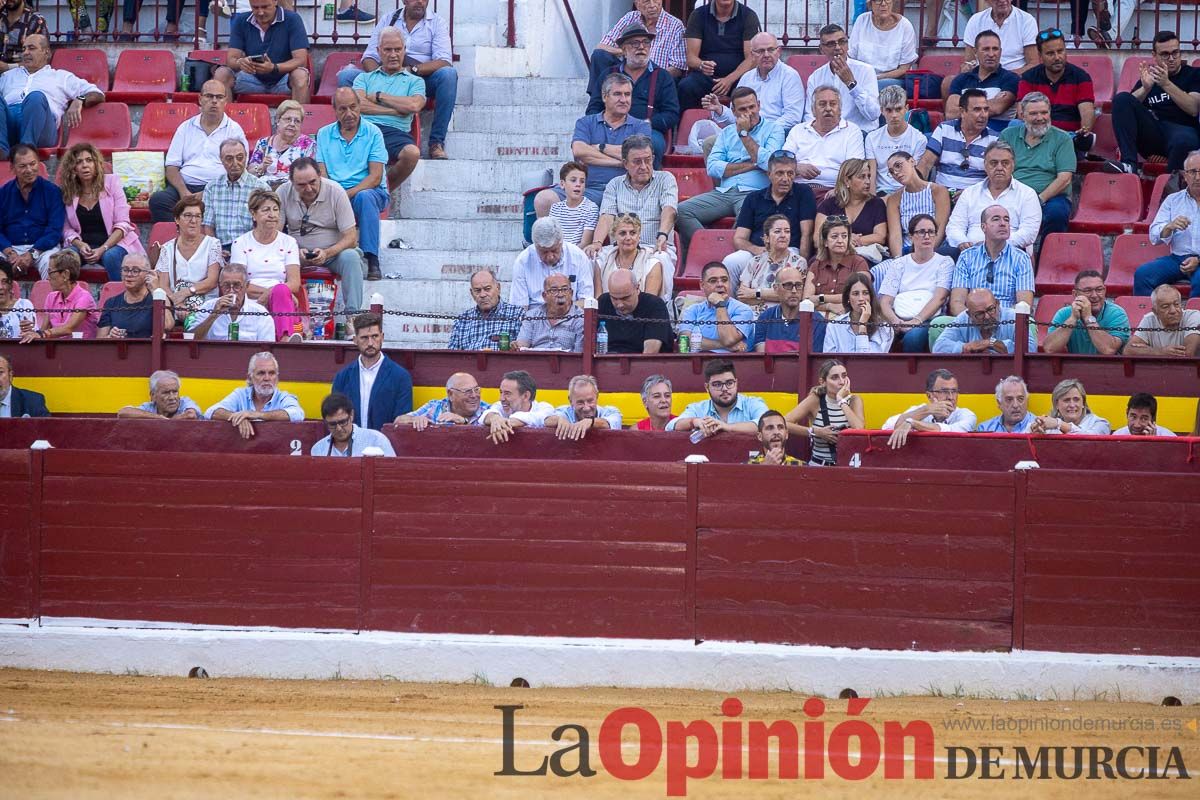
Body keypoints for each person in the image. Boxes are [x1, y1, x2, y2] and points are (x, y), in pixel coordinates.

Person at [336, 0, 457, 160]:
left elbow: (443, 60)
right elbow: (370, 57)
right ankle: (351, 131)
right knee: (346, 77)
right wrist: (381, 78)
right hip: (384, 74)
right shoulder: (388, 20)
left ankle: (436, 142)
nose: (420, 2)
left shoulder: (437, 23)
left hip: (418, 78)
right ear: (404, 1)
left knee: (448, 75)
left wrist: (411, 70)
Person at [676, 88, 783, 256]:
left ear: (759, 105)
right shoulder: (726, 132)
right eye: (742, 109)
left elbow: (769, 164)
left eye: (752, 107)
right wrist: (753, 164)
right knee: (681, 211)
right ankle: (710, 252)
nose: (749, 113)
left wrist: (744, 134)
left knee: (746, 225)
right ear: (733, 111)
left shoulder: (774, 129)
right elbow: (713, 167)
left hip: (754, 193)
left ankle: (727, 259)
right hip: (725, 191)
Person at [277, 157, 365, 317]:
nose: (309, 188)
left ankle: (353, 317)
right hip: (294, 255)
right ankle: (282, 318)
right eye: (301, 185)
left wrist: (327, 253)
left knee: (351, 257)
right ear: (291, 181)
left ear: (320, 176)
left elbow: (351, 237)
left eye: (313, 182)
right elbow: (275, 234)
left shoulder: (336, 191)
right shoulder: (283, 192)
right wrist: (294, 253)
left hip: (333, 254)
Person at [316, 88, 389, 280]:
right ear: (335, 111)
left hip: (368, 191)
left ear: (360, 106)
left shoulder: (373, 133)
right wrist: (337, 195)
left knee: (365, 197)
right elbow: (322, 174)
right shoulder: (323, 134)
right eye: (342, 109)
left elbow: (375, 177)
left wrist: (346, 194)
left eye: (353, 107)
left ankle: (372, 258)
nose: (349, 114)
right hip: (335, 192)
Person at [150, 80, 248, 222]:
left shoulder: (234, 130)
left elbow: (239, 169)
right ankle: (179, 238)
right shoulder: (185, 127)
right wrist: (183, 192)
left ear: (226, 101)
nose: (214, 101)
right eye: (209, 96)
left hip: (219, 188)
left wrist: (206, 193)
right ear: (200, 99)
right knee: (158, 201)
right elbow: (171, 167)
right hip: (184, 186)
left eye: (219, 97)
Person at [1104, 30, 1200, 176]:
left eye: (1175, 53)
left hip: (1183, 132)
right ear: (1154, 56)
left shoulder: (1194, 74)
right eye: (1165, 54)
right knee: (1121, 98)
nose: (1172, 58)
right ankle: (1129, 164)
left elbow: (1193, 108)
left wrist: (1166, 84)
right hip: (1155, 132)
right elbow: (1125, 109)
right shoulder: (1150, 78)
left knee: (1184, 140)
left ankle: (1170, 188)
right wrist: (1145, 89)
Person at [585, 24, 680, 165]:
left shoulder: (662, 76)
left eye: (645, 42)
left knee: (652, 145)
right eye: (635, 43)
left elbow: (672, 114)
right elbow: (592, 110)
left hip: (647, 132)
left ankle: (647, 186)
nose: (641, 47)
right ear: (623, 49)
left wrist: (647, 123)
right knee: (586, 143)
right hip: (611, 130)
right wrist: (607, 124)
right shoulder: (608, 74)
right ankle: (600, 184)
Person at [0, 34, 103, 157]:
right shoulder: (8, 76)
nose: (26, 53)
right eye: (24, 49)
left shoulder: (61, 77)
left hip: (42, 127)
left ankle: (25, 152)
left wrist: (80, 99)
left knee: (36, 97)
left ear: (46, 53)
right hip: (10, 124)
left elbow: (98, 94)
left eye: (31, 48)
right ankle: (2, 153)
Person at [722, 150, 814, 285]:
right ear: (769, 174)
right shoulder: (753, 198)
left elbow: (807, 234)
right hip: (757, 251)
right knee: (732, 262)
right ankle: (734, 303)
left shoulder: (804, 193)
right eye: (779, 173)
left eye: (790, 173)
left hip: (789, 251)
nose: (785, 178)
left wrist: (801, 262)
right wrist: (756, 250)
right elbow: (739, 238)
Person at [586, 136, 677, 271]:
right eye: (637, 162)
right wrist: (597, 243)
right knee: (592, 258)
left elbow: (669, 210)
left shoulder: (665, 179)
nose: (644, 167)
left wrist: (662, 235)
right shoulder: (614, 185)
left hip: (654, 247)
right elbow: (607, 216)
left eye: (648, 160)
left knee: (660, 259)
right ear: (625, 163)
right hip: (621, 250)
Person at [563, 74, 653, 208]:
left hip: (624, 190)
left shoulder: (641, 126)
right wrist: (620, 162)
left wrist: (600, 147)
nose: (623, 100)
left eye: (627, 94)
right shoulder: (586, 122)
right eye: (617, 94)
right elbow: (579, 150)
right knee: (543, 199)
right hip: (586, 188)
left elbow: (637, 156)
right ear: (605, 97)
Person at [59, 143, 145, 282]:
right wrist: (80, 245)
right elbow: (66, 228)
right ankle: (71, 301)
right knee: (66, 258)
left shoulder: (112, 183)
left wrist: (103, 248)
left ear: (97, 164)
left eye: (89, 160)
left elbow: (123, 224)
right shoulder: (68, 191)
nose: (85, 165)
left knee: (110, 256)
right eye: (79, 162)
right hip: (84, 245)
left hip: (114, 244)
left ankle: (120, 299)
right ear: (73, 168)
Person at [351, 27, 425, 190]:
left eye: (398, 49)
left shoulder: (415, 82)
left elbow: (414, 105)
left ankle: (383, 191)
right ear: (378, 51)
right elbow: (358, 106)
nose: (393, 55)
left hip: (395, 132)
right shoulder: (363, 78)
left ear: (404, 50)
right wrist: (394, 110)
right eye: (387, 50)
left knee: (412, 153)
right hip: (365, 128)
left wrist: (379, 96)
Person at [229, 188, 303, 341]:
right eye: (266, 210)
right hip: (250, 301)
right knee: (281, 290)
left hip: (282, 301)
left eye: (276, 210)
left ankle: (284, 339)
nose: (272, 215)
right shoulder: (240, 243)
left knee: (282, 291)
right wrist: (272, 293)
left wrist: (272, 294)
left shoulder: (289, 242)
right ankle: (286, 339)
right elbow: (238, 284)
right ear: (253, 214)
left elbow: (294, 283)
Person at [999, 94, 1075, 239]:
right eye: (1033, 113)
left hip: (1050, 197)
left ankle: (1048, 260)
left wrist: (1038, 200)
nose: (1040, 118)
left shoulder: (1063, 138)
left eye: (1044, 112)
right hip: (1013, 194)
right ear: (1022, 115)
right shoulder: (1008, 135)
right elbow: (998, 167)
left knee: (1057, 214)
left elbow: (1065, 179)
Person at [702, 31, 804, 137]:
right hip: (747, 132)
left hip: (775, 135)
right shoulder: (747, 78)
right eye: (760, 51)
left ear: (779, 51)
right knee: (709, 143)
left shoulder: (789, 76)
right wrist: (719, 109)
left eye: (771, 50)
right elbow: (736, 116)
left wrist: (762, 130)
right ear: (752, 55)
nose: (766, 55)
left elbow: (792, 117)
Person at [945, 141, 1042, 252]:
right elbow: (954, 227)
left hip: (1010, 253)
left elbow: (1029, 232)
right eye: (994, 163)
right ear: (985, 165)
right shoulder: (969, 193)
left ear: (1013, 166)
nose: (999, 168)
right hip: (970, 253)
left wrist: (995, 246)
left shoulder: (1027, 194)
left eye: (1005, 163)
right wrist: (962, 243)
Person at [879, 214, 954, 352]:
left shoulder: (945, 262)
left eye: (931, 232)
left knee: (913, 337)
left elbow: (940, 298)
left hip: (927, 318)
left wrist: (917, 320)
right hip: (897, 317)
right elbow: (885, 301)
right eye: (921, 232)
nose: (927, 236)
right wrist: (895, 321)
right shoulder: (899, 264)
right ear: (911, 236)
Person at [1017, 27, 1097, 153]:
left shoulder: (1081, 77)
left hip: (1067, 139)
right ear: (1040, 56)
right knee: (1013, 126)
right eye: (1050, 53)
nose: (1057, 57)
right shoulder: (1029, 78)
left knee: (1080, 139)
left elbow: (1087, 111)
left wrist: (1084, 132)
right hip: (1036, 134)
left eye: (1060, 51)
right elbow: (1022, 114)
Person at [215, 0, 310, 104]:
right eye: (255, 8)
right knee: (221, 73)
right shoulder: (241, 20)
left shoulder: (292, 19)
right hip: (252, 79)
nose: (260, 12)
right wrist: (241, 63)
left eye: (265, 7)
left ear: (275, 2)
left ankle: (300, 118)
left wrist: (274, 68)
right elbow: (231, 59)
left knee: (300, 76)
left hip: (283, 80)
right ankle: (224, 119)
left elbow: (301, 60)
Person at [330, 311, 413, 431]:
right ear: (355, 340)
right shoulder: (342, 377)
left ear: (382, 337)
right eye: (364, 338)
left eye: (375, 336)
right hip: (351, 446)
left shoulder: (400, 377)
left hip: (385, 447)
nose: (370, 343)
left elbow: (401, 422)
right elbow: (335, 417)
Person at [1134, 150, 1200, 298]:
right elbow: (1154, 235)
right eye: (1193, 172)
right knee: (1143, 275)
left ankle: (1195, 321)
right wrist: (1169, 226)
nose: (1198, 177)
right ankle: (1151, 319)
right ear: (1185, 176)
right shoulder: (1172, 200)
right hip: (1178, 259)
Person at [676, 0, 760, 112]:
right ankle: (687, 126)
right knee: (686, 86)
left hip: (738, 77)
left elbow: (751, 59)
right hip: (705, 77)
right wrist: (701, 65)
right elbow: (691, 58)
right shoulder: (698, 15)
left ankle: (747, 127)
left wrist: (729, 79)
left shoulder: (748, 15)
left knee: (750, 91)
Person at [949, 205, 1034, 314]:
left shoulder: (1021, 259)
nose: (1003, 223)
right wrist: (977, 319)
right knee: (939, 323)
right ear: (983, 227)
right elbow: (957, 303)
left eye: (1006, 220)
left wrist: (995, 319)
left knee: (1029, 327)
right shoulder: (966, 257)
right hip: (972, 320)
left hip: (1007, 322)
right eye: (996, 219)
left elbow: (1024, 304)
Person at [782, 86, 866, 192]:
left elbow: (855, 168)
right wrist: (796, 168)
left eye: (833, 104)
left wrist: (839, 190)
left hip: (833, 190)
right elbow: (782, 163)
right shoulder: (798, 130)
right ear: (813, 110)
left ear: (840, 110)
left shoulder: (852, 131)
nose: (828, 108)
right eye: (822, 104)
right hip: (797, 190)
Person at [783, 358, 864, 466]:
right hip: (819, 465)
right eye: (835, 377)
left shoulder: (854, 400)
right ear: (823, 382)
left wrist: (841, 400)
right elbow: (783, 424)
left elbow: (860, 430)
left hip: (848, 467)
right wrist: (816, 432)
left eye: (844, 376)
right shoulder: (815, 400)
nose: (841, 381)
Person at [207, 351, 305, 439]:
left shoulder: (284, 397)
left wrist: (258, 415)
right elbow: (211, 412)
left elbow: (297, 414)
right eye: (261, 373)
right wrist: (238, 417)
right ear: (250, 377)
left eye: (271, 373)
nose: (267, 378)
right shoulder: (240, 394)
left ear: (277, 377)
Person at [153, 197, 223, 316]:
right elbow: (163, 285)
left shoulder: (213, 244)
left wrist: (187, 292)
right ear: (177, 219)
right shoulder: (167, 249)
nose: (193, 220)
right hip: (175, 305)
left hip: (206, 306)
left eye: (197, 216)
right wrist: (177, 303)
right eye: (188, 215)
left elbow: (212, 281)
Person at [0, 144, 62, 279]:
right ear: (12, 168)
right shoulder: (3, 193)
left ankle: (50, 300)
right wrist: (10, 253)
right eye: (22, 166)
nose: (29, 170)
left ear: (39, 163)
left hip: (43, 248)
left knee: (52, 264)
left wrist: (32, 253)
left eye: (33, 164)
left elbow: (54, 230)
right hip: (10, 248)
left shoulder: (52, 192)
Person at [806, 24, 881, 134]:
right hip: (826, 133)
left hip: (859, 132)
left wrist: (852, 84)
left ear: (848, 44)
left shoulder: (866, 71)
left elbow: (873, 114)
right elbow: (810, 115)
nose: (838, 47)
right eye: (831, 44)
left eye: (842, 42)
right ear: (821, 49)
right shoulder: (816, 77)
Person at [919, 89, 998, 192]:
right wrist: (919, 190)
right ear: (962, 112)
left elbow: (995, 178)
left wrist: (969, 195)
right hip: (941, 195)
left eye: (986, 110)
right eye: (977, 110)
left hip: (975, 198)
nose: (983, 115)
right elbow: (926, 162)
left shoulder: (995, 139)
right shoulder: (944, 129)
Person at [814, 158, 889, 264]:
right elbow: (817, 238)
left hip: (864, 259)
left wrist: (850, 240)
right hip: (832, 257)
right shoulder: (828, 204)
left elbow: (880, 237)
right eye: (861, 177)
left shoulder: (876, 204)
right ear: (847, 180)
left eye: (869, 176)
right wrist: (847, 239)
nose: (868, 182)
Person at [666, 358, 766, 436]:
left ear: (736, 383)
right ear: (707, 387)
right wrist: (694, 422)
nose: (725, 389)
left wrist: (727, 427)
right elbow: (670, 426)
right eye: (717, 384)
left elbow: (766, 424)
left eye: (729, 383)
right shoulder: (697, 408)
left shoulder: (753, 403)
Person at [592, 0, 687, 81]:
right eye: (646, 1)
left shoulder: (675, 25)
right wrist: (624, 51)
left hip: (655, 78)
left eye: (656, 0)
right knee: (599, 55)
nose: (652, 5)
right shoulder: (630, 18)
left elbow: (677, 68)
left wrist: (649, 77)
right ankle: (598, 100)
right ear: (637, 4)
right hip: (625, 75)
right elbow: (601, 46)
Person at [883, 368, 978, 449]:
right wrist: (926, 410)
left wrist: (912, 423)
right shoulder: (921, 410)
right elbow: (887, 426)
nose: (950, 397)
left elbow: (951, 431)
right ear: (929, 396)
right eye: (944, 391)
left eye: (954, 391)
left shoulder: (967, 415)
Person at [510, 217, 593, 308]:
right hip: (535, 318)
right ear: (535, 246)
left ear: (561, 242)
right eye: (544, 252)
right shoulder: (523, 261)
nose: (550, 257)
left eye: (554, 250)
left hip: (572, 316)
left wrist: (560, 312)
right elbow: (520, 307)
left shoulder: (578, 257)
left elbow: (587, 301)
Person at [202, 139, 269, 251]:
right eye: (229, 159)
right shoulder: (212, 187)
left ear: (246, 157)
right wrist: (216, 251)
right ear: (221, 159)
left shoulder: (261, 188)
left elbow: (266, 227)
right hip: (220, 248)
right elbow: (208, 226)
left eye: (240, 157)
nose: (235, 163)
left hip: (251, 249)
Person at [1043, 269, 1130, 355]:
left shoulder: (1117, 313)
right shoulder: (1064, 313)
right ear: (1075, 294)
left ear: (1105, 290)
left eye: (1099, 290)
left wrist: (1088, 317)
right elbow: (1050, 349)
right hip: (1076, 367)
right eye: (1088, 291)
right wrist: (1072, 319)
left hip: (1109, 367)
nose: (1094, 295)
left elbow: (1108, 350)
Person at [884, 151, 951, 256]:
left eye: (898, 166)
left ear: (912, 161)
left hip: (934, 251)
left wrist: (923, 256)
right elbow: (895, 236)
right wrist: (898, 260)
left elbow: (940, 230)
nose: (896, 173)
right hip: (906, 252)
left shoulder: (938, 191)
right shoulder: (894, 199)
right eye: (891, 172)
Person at [946, 31, 1018, 127]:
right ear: (975, 52)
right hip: (964, 135)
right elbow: (951, 113)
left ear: (1000, 52)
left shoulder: (1011, 78)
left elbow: (997, 108)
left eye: (995, 49)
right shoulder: (961, 79)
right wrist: (991, 102)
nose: (991, 54)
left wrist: (965, 107)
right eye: (986, 49)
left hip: (998, 136)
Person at [933, 287, 1036, 354]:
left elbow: (1030, 349)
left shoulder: (1013, 317)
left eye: (991, 309)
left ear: (997, 304)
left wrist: (991, 343)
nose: (987, 316)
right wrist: (965, 347)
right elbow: (938, 347)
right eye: (979, 314)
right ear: (969, 314)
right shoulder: (963, 318)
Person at [187, 264, 276, 342]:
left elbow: (267, 348)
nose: (231, 291)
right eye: (226, 285)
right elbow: (192, 340)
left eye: (237, 285)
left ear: (246, 286)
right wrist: (213, 315)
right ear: (220, 285)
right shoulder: (208, 307)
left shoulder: (260, 313)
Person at [679, 262, 755, 353]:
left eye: (724, 280)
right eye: (713, 281)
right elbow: (684, 344)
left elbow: (729, 340)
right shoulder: (692, 310)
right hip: (695, 363)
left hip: (729, 365)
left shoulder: (743, 310)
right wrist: (722, 345)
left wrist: (720, 305)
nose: (720, 284)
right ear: (702, 285)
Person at [21, 250, 97, 341]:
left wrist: (42, 334)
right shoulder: (51, 297)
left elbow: (69, 328)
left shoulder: (84, 297)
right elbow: (44, 330)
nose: (48, 278)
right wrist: (32, 332)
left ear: (65, 274)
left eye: (50, 272)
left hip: (83, 350)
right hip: (57, 350)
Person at [592, 212, 669, 302]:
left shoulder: (652, 264)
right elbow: (599, 300)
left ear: (639, 235)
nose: (628, 238)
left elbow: (649, 304)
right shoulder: (601, 262)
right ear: (614, 236)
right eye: (623, 233)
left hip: (642, 314)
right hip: (608, 314)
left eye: (633, 233)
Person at [867, 86, 929, 195]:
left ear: (906, 108)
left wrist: (893, 199)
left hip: (909, 192)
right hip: (881, 193)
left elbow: (914, 177)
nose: (894, 115)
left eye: (898, 109)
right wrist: (872, 201)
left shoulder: (919, 139)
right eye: (889, 110)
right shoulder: (872, 138)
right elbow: (872, 175)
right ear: (881, 110)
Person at [752, 265, 827, 353]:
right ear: (776, 288)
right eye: (788, 285)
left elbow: (814, 360)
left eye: (798, 285)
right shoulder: (765, 317)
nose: (794, 291)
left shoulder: (817, 321)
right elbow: (761, 357)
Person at [98, 254, 174, 339]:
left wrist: (155, 290)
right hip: (119, 350)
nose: (129, 274)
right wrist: (110, 337)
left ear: (148, 274)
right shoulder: (111, 303)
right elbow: (100, 340)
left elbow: (167, 326)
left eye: (135, 270)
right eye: (125, 270)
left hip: (147, 350)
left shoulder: (159, 298)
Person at [808, 215, 870, 320]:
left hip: (849, 319)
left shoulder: (859, 263)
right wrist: (829, 306)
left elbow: (861, 297)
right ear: (825, 241)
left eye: (844, 236)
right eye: (834, 236)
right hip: (818, 319)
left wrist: (821, 298)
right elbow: (807, 300)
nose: (840, 240)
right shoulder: (816, 265)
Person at [447, 268, 524, 350]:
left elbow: (523, 350)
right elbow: (452, 356)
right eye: (477, 290)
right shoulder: (462, 320)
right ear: (471, 293)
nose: (482, 294)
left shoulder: (517, 314)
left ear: (498, 288)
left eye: (487, 289)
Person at [737, 214, 806, 306]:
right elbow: (742, 295)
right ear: (766, 238)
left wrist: (755, 293)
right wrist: (774, 297)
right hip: (752, 315)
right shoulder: (755, 261)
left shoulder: (798, 262)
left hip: (781, 315)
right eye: (777, 231)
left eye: (787, 231)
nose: (783, 235)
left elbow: (793, 294)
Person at [598, 269, 672, 354]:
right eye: (614, 298)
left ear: (637, 288)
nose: (620, 304)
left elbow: (651, 351)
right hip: (606, 361)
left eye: (625, 298)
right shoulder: (603, 302)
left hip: (641, 363)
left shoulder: (654, 305)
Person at [849, 0, 917, 92]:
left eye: (888, 0)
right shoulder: (862, 20)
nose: (884, 4)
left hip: (892, 80)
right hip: (862, 78)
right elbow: (851, 57)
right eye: (878, 0)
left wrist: (876, 78)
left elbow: (904, 69)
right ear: (870, 4)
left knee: (873, 87)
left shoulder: (905, 26)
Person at [247, 99, 316, 189]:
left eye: (297, 121)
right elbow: (250, 175)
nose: (292, 124)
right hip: (264, 192)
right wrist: (262, 166)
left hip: (293, 191)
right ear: (278, 120)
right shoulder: (263, 143)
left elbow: (310, 176)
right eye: (288, 119)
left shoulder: (308, 145)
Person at [961, 0, 1039, 75]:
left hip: (1014, 77)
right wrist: (968, 67)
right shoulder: (976, 20)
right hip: (981, 77)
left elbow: (1033, 64)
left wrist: (1004, 76)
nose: (1002, 0)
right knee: (949, 81)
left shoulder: (1026, 20)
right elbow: (969, 61)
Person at [823, 272, 894, 353]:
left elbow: (867, 361)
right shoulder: (834, 326)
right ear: (848, 297)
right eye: (855, 294)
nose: (861, 298)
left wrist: (862, 326)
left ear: (871, 297)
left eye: (865, 293)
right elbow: (829, 360)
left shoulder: (884, 328)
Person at [513, 273, 585, 352]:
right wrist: (517, 346)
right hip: (535, 361)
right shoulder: (531, 316)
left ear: (571, 293)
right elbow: (522, 345)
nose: (560, 295)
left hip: (568, 362)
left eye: (564, 289)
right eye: (554, 290)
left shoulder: (581, 318)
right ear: (544, 296)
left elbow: (579, 353)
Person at [311, 392, 397, 457]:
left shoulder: (376, 440)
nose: (338, 428)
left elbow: (393, 474)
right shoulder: (318, 449)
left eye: (342, 422)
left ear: (351, 415)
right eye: (332, 424)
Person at [481, 370, 554, 444]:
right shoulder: (501, 405)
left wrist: (505, 423)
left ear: (526, 396)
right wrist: (495, 418)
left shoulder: (544, 408)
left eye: (507, 393)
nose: (501, 398)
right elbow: (487, 414)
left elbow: (536, 418)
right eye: (501, 392)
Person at [395, 371, 489, 429]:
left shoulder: (487, 410)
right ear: (450, 394)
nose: (474, 395)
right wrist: (415, 419)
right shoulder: (434, 407)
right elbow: (398, 421)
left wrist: (464, 422)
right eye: (467, 391)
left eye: (477, 390)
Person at [1126, 285, 1200, 357]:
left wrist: (1146, 350)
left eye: (1176, 304)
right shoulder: (1149, 319)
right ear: (1155, 311)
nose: (1173, 311)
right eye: (1165, 307)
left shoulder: (1193, 316)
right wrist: (1159, 352)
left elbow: (1188, 353)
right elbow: (1128, 350)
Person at [545, 374, 623, 441]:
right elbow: (547, 420)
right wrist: (558, 420)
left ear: (597, 396)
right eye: (580, 402)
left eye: (590, 401)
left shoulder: (610, 411)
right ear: (570, 401)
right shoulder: (565, 411)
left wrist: (590, 422)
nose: (586, 408)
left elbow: (612, 422)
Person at [1030, 378, 1112, 435]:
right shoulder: (1049, 424)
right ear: (1056, 404)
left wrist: (1059, 424)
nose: (1072, 405)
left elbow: (1089, 440)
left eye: (1076, 399)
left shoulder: (1101, 423)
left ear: (1083, 403)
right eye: (1066, 400)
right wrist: (1037, 433)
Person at [549, 162, 599, 249]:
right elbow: (552, 237)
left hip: (578, 255)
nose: (578, 184)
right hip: (556, 254)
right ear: (562, 184)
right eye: (573, 180)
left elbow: (585, 243)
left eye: (582, 181)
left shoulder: (591, 208)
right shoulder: (555, 208)